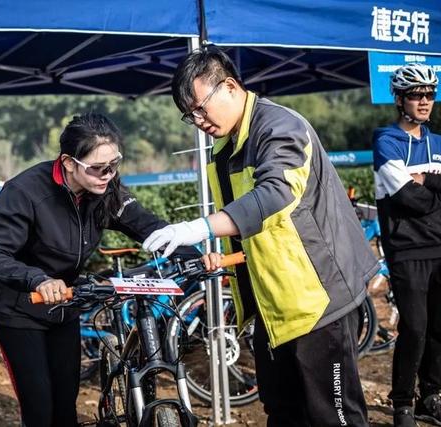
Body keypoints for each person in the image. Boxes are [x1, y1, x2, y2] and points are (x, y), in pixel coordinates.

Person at [142, 47, 379, 427]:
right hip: (273, 307)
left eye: (201, 108)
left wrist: (199, 227)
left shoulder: (279, 127)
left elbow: (275, 193)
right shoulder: (225, 146)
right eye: (190, 116)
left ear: (230, 86)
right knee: (283, 412)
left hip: (317, 300)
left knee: (333, 415)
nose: (199, 120)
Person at [0, 113, 197, 427]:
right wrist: (37, 280)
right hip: (20, 309)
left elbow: (146, 225)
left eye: (114, 164)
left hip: (64, 305)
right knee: (40, 409)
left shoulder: (103, 188)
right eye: (98, 167)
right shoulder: (25, 191)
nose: (108, 174)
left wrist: (194, 250)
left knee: (66, 407)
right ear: (68, 162)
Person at [372, 63, 441, 427]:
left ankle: (432, 395)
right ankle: (403, 403)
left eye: (429, 94)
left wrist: (426, 180)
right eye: (416, 95)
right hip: (407, 249)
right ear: (399, 99)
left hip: (440, 246)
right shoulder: (386, 140)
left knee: (439, 328)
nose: (424, 101)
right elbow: (406, 198)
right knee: (414, 327)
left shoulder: (438, 142)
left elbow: (419, 193)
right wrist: (434, 191)